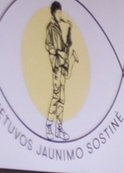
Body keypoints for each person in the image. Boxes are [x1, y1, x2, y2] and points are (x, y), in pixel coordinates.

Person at [44, 2, 77, 140]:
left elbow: (66, 45)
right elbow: (48, 46)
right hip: (57, 66)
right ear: (53, 13)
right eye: (58, 12)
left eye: (60, 12)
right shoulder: (51, 28)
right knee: (56, 96)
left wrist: (69, 31)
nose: (60, 15)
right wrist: (58, 54)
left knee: (62, 99)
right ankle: (48, 126)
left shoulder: (60, 27)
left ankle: (58, 128)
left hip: (63, 66)